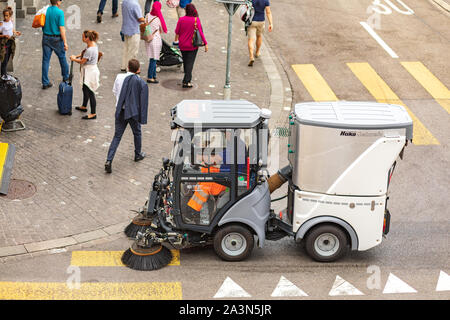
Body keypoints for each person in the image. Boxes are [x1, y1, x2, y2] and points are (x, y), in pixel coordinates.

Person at [105, 59, 148, 173]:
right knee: (137, 133)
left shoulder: (119, 77)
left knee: (117, 136)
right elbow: (142, 101)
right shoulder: (140, 82)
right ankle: (137, 154)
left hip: (121, 110)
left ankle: (109, 160)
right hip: (133, 112)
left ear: (128, 67)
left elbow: (115, 91)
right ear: (138, 70)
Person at [174, 3, 207, 88]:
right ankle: (186, 81)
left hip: (182, 45)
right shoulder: (196, 20)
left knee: (185, 61)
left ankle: (186, 77)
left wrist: (175, 40)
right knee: (190, 63)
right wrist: (205, 43)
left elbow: (177, 31)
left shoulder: (181, 20)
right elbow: (201, 33)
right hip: (193, 45)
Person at [70, 30, 101, 120]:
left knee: (90, 91)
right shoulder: (92, 44)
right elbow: (84, 54)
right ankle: (84, 106)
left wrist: (73, 59)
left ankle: (93, 113)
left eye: (83, 37)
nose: (82, 38)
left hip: (90, 72)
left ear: (87, 38)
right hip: (89, 70)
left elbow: (82, 61)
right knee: (85, 88)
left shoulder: (90, 49)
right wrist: (77, 56)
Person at [41, 0, 69, 90]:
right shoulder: (60, 12)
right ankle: (66, 77)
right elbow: (62, 28)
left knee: (46, 60)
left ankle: (45, 82)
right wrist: (65, 42)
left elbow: (42, 24)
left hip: (46, 37)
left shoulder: (46, 10)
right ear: (57, 2)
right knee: (62, 58)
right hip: (56, 39)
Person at [144, 1, 167, 84]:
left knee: (152, 58)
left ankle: (153, 75)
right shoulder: (158, 19)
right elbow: (161, 30)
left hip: (148, 39)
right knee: (154, 59)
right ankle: (150, 77)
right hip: (155, 40)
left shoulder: (147, 15)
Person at [120, 0, 145, 72]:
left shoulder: (125, 1)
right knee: (133, 51)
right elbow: (140, 18)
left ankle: (124, 65)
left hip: (125, 28)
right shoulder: (135, 4)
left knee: (126, 49)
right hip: (134, 30)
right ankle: (130, 68)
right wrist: (146, 19)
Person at [247, 0, 273, 67]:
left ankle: (251, 57)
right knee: (259, 36)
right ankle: (257, 52)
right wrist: (271, 23)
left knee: (251, 40)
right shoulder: (266, 0)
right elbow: (268, 12)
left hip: (252, 21)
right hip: (261, 21)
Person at [0, 7, 21, 76]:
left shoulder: (11, 21)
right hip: (4, 43)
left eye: (7, 15)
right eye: (4, 15)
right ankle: (3, 75)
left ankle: (4, 73)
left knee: (8, 57)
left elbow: (11, 29)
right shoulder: (1, 23)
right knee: (4, 60)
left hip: (11, 42)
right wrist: (4, 36)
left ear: (10, 16)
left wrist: (15, 32)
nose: (5, 17)